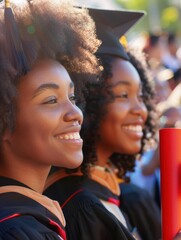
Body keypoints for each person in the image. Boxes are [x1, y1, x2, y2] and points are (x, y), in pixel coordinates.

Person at [44, 8, 161, 240]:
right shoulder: (81, 206)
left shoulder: (106, 192)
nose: (140, 110)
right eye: (122, 95)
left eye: (141, 96)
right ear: (88, 101)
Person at [0, 0, 100, 239]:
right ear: (4, 120)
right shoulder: (16, 230)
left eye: (72, 97)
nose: (75, 113)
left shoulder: (33, 218)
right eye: (51, 100)